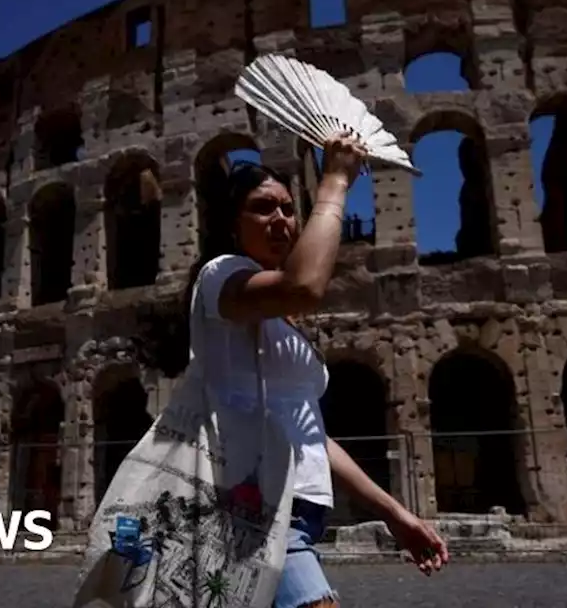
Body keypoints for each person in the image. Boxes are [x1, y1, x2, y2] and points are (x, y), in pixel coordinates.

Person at [182, 134, 448, 608]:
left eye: (288, 208)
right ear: (229, 223)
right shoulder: (220, 277)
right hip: (255, 504)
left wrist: (394, 513)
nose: (281, 219)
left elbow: (311, 437)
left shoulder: (274, 320)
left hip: (298, 509)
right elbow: (304, 285)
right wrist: (336, 181)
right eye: (263, 208)